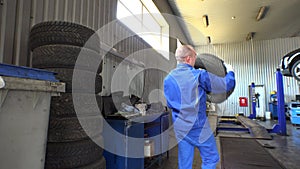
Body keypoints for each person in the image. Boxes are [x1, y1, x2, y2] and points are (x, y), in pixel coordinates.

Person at [163, 45, 235, 169]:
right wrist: (230, 71)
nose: (196, 61)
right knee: (211, 158)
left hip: (179, 125)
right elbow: (225, 85)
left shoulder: (168, 79)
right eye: (195, 58)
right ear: (188, 59)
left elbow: (170, 104)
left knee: (185, 162)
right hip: (198, 126)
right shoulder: (199, 76)